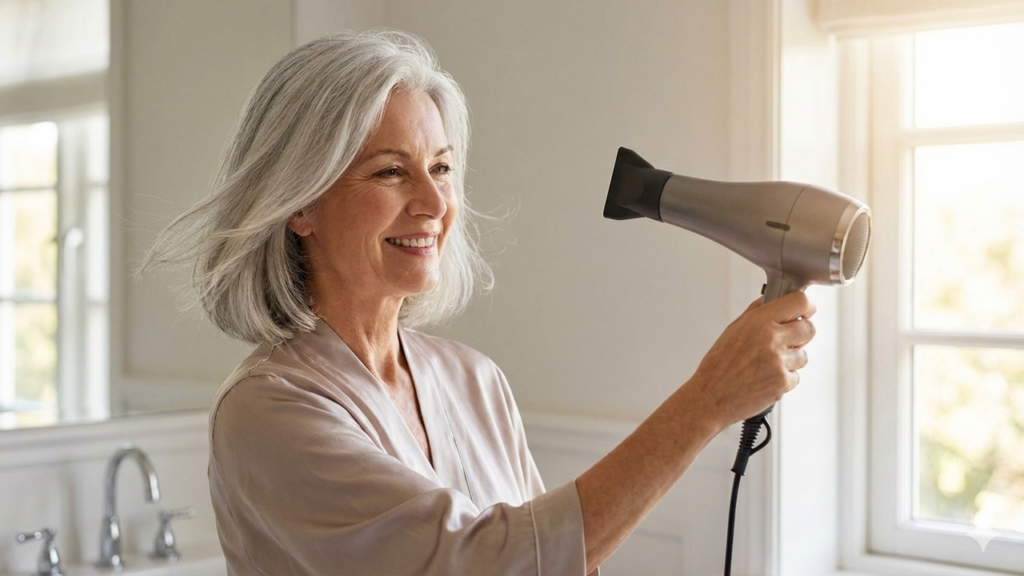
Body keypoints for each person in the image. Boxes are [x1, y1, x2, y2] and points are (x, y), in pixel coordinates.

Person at [143, 29, 816, 576]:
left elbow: (561, 562)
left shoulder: (473, 380)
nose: (436, 205)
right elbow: (483, 566)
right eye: (390, 171)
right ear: (300, 204)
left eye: (440, 167)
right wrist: (706, 403)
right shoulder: (269, 411)